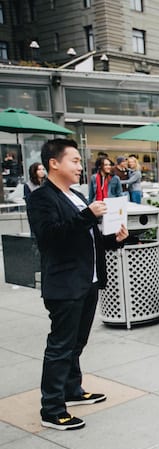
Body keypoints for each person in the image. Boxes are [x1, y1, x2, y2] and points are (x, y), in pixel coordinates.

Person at [26, 138, 129, 430]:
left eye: (80, 162)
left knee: (77, 342)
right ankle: (52, 408)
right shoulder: (42, 198)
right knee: (60, 345)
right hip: (65, 284)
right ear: (53, 163)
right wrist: (88, 215)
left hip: (88, 282)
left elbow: (87, 237)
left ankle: (72, 390)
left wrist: (114, 239)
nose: (80, 167)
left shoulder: (76, 195)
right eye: (74, 161)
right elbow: (50, 238)